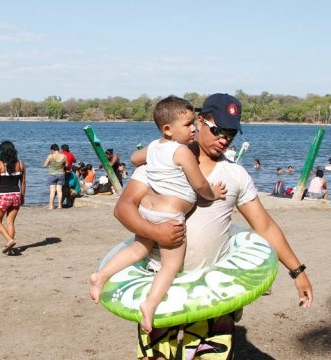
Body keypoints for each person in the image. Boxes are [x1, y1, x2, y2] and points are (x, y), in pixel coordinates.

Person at [112, 93, 312, 359]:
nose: (225, 139)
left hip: (212, 290)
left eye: (231, 133)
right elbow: (123, 208)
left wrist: (297, 272)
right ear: (199, 122)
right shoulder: (161, 165)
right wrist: (156, 232)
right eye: (218, 130)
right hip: (160, 284)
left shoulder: (235, 175)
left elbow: (264, 226)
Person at [89, 95, 226, 333]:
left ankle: (100, 276)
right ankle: (150, 305)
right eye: (188, 125)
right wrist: (213, 193)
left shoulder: (154, 147)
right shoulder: (182, 152)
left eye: (194, 123)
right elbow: (200, 185)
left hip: (147, 211)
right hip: (169, 217)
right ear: (167, 129)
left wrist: (152, 153)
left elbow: (133, 158)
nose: (194, 128)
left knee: (137, 249)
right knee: (170, 266)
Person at [0, 140, 26, 254]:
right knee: (10, 222)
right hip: (16, 195)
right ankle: (11, 248)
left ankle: (9, 240)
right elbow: (23, 183)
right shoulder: (21, 164)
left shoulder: (0, 164)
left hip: (4, 196)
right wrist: (22, 196)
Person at [43, 143, 66, 209]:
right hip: (61, 174)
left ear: (52, 149)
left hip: (52, 174)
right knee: (59, 190)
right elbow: (66, 164)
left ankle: (51, 206)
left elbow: (45, 165)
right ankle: (59, 205)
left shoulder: (50, 156)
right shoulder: (64, 156)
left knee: (52, 191)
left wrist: (49, 163)